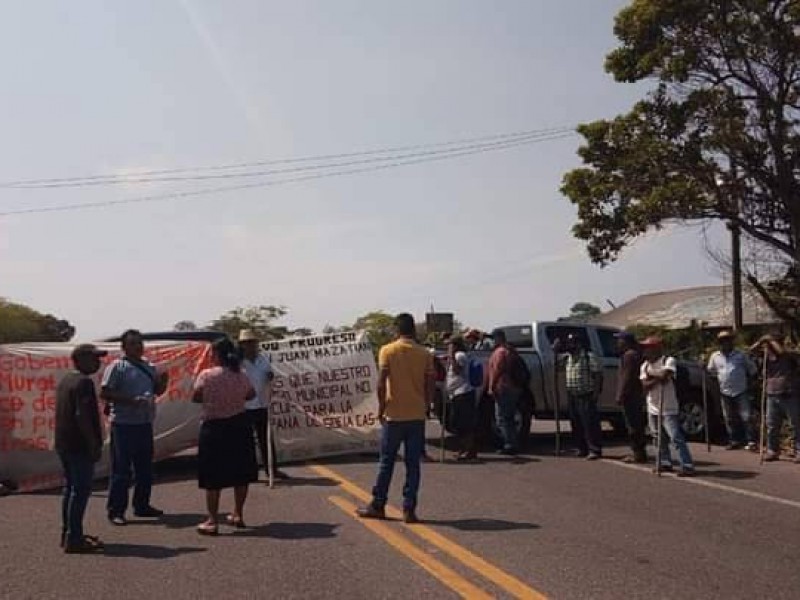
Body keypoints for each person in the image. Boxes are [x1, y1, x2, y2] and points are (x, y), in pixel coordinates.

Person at [357, 313, 435, 524]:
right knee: (413, 465)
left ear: (396, 330)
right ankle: (409, 509)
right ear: (414, 330)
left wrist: (381, 408)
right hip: (416, 415)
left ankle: (378, 504)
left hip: (394, 415)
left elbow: (381, 383)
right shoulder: (424, 353)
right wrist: (427, 405)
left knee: (386, 462)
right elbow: (430, 382)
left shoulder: (387, 350)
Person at [101, 329, 169, 526]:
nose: (138, 347)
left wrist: (163, 382)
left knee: (145, 469)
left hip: (144, 423)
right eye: (133, 343)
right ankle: (116, 510)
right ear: (124, 347)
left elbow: (157, 391)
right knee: (121, 470)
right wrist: (131, 400)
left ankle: (142, 505)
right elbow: (105, 392)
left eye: (139, 343)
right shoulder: (117, 367)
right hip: (123, 424)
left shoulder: (149, 366)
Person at [192, 338, 259, 535]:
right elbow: (251, 395)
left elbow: (196, 397)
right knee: (241, 473)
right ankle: (238, 513)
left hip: (214, 428)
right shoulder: (242, 374)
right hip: (239, 425)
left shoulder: (207, 375)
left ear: (216, 354)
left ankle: (212, 520)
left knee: (213, 476)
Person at [55, 344, 108, 554]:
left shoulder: (66, 379)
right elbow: (81, 416)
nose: (98, 362)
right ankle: (74, 538)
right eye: (94, 358)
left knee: (70, 489)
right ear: (81, 359)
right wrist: (93, 444)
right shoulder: (83, 382)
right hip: (79, 445)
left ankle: (69, 533)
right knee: (81, 490)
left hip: (64, 443)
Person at [239, 329, 289, 481]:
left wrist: (270, 376)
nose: (251, 346)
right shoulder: (238, 362)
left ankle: (272, 470)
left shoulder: (263, 359)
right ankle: (250, 472)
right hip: (245, 406)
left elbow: (270, 374)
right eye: (247, 343)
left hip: (262, 404)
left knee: (266, 439)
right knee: (247, 442)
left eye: (253, 343)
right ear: (242, 345)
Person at [640, 337, 695, 476]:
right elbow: (644, 385)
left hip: (668, 407)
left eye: (649, 348)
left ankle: (687, 464)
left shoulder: (668, 360)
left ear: (657, 348)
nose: (646, 350)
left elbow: (666, 375)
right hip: (652, 405)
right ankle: (665, 462)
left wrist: (652, 376)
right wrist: (657, 377)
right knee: (657, 437)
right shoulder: (644, 365)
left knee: (675, 436)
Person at [750, 335, 800, 463]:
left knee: (795, 424)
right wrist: (761, 340)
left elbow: (781, 351)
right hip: (772, 394)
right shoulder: (766, 357)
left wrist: (770, 340)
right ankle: (773, 450)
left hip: (789, 394)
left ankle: (798, 451)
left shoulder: (788, 355)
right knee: (772, 425)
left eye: (772, 344)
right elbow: (751, 350)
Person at [554, 334, 603, 460]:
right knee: (576, 423)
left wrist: (596, 393)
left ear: (579, 344)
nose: (569, 346)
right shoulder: (567, 358)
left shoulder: (589, 357)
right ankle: (581, 448)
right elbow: (556, 366)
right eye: (568, 343)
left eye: (572, 343)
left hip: (586, 394)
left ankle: (594, 449)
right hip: (572, 394)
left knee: (589, 424)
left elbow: (597, 376)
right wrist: (555, 350)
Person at [707, 331, 758, 451]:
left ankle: (751, 441)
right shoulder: (715, 356)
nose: (726, 343)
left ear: (731, 341)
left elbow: (752, 370)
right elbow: (711, 371)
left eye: (728, 340)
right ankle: (734, 440)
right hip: (724, 391)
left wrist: (750, 384)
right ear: (720, 343)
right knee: (729, 418)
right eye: (723, 341)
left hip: (741, 390)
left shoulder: (740, 355)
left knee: (746, 416)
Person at [484, 329, 526, 455]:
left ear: (498, 338)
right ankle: (513, 443)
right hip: (514, 387)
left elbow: (498, 369)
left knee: (502, 418)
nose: (491, 341)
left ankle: (509, 445)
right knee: (509, 418)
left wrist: (491, 387)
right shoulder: (511, 351)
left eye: (493, 338)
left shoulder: (500, 352)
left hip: (504, 387)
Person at [615, 332, 647, 463]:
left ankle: (638, 453)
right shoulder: (636, 354)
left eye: (620, 340)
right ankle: (639, 452)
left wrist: (620, 394)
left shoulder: (629, 356)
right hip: (636, 394)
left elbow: (626, 378)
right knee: (636, 424)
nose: (618, 343)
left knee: (633, 425)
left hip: (631, 395)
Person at [445, 336, 478, 461]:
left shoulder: (459, 356)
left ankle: (470, 450)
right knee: (456, 423)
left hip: (463, 393)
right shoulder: (455, 356)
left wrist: (452, 356)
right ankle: (463, 448)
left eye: (450, 345)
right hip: (456, 394)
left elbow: (458, 370)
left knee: (464, 423)